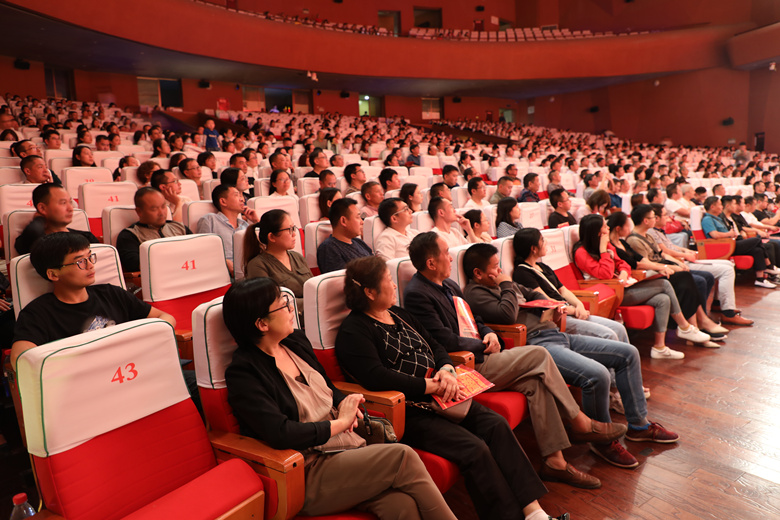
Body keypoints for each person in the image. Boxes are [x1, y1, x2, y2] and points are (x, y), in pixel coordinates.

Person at [335, 256, 568, 520]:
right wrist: (430, 386)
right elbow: (376, 377)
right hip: (409, 411)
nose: (394, 284)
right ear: (369, 292)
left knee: (496, 425)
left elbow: (435, 345)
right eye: (388, 280)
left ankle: (535, 513)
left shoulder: (399, 314)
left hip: (444, 394)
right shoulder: (354, 330)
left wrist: (446, 369)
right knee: (474, 448)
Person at [222, 278, 457, 519]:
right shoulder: (244, 373)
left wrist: (345, 401)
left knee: (400, 504)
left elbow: (327, 386)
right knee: (402, 456)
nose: (292, 309)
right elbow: (281, 433)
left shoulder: (295, 342)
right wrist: (341, 423)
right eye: (283, 305)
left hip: (343, 449)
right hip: (305, 470)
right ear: (262, 324)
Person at [404, 233, 625, 489]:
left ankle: (555, 462)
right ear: (431, 263)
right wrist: (482, 345)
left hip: (482, 352)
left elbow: (474, 319)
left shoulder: (450, 285)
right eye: (445, 253)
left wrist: (488, 333)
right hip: (464, 364)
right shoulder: (417, 294)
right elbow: (443, 340)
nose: (450, 258)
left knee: (536, 383)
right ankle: (580, 422)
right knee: (539, 354)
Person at [461, 243, 679, 469]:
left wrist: (549, 304)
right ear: (478, 273)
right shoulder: (475, 293)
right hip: (537, 343)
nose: (500, 271)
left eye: (499, 266)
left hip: (557, 333)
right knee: (598, 375)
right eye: (495, 267)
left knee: (628, 353)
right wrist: (505, 283)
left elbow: (532, 293)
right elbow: (507, 315)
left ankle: (639, 426)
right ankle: (602, 442)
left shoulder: (505, 284)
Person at [10, 232, 176, 366]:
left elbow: (166, 318)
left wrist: (139, 340)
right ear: (53, 274)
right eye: (80, 262)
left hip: (133, 367)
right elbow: (20, 357)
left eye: (90, 257)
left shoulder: (112, 294)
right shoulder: (38, 313)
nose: (90, 265)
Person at [574, 214, 710, 359]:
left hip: (622, 286)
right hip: (608, 294)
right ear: (597, 232)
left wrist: (624, 273)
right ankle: (684, 327)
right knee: (664, 284)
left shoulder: (607, 245)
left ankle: (659, 347)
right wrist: (603, 251)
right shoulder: (581, 252)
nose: (608, 228)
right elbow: (605, 274)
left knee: (663, 299)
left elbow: (624, 264)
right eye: (604, 226)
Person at [624, 206, 727, 343]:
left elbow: (662, 254)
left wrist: (678, 263)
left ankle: (699, 323)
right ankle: (696, 325)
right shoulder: (634, 240)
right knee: (689, 279)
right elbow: (647, 264)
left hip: (663, 268)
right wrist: (672, 267)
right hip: (654, 273)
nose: (656, 219)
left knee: (696, 276)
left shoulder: (648, 235)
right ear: (646, 221)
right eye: (653, 217)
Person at [512, 227, 630, 343]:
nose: (546, 242)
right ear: (533, 248)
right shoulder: (522, 273)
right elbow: (546, 302)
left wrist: (579, 305)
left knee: (619, 328)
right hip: (558, 317)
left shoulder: (543, 266)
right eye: (542, 240)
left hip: (569, 310)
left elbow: (563, 290)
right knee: (609, 335)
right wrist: (574, 311)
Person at [648, 204, 752, 326]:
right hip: (678, 262)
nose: (669, 218)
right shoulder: (651, 232)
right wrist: (685, 255)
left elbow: (670, 247)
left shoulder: (658, 231)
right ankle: (728, 313)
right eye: (665, 215)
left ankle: (718, 303)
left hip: (681, 259)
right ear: (656, 218)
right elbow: (665, 252)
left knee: (728, 264)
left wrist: (685, 250)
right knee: (726, 270)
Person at [243, 209, 311, 313]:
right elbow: (271, 303)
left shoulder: (297, 257)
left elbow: (313, 287)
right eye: (289, 230)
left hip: (313, 311)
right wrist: (313, 302)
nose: (294, 234)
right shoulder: (257, 265)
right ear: (271, 237)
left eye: (293, 228)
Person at [701, 196, 777, 288]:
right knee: (756, 240)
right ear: (712, 207)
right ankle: (769, 266)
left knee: (757, 250)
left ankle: (760, 279)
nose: (721, 207)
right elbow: (714, 235)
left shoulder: (718, 219)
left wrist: (732, 234)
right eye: (720, 205)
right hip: (724, 246)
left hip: (731, 242)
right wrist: (729, 234)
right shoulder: (708, 219)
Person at [116, 188, 192, 272]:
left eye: (163, 207)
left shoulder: (180, 228)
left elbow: (197, 251)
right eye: (154, 209)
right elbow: (135, 265)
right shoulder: (130, 236)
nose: (161, 213)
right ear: (139, 211)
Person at [15, 184, 99, 255]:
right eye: (63, 203)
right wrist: (39, 220)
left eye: (70, 202)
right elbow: (33, 231)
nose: (70, 208)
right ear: (42, 208)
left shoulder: (87, 237)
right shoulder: (34, 241)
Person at [197, 184, 258, 276]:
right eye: (236, 195)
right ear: (223, 201)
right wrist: (224, 261)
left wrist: (256, 221)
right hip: (221, 272)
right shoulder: (210, 220)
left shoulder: (245, 225)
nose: (242, 199)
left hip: (247, 270)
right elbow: (203, 250)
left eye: (241, 196)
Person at [316, 198, 372, 273]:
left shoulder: (359, 242)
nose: (362, 222)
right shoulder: (328, 248)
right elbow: (342, 278)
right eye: (358, 217)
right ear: (343, 221)